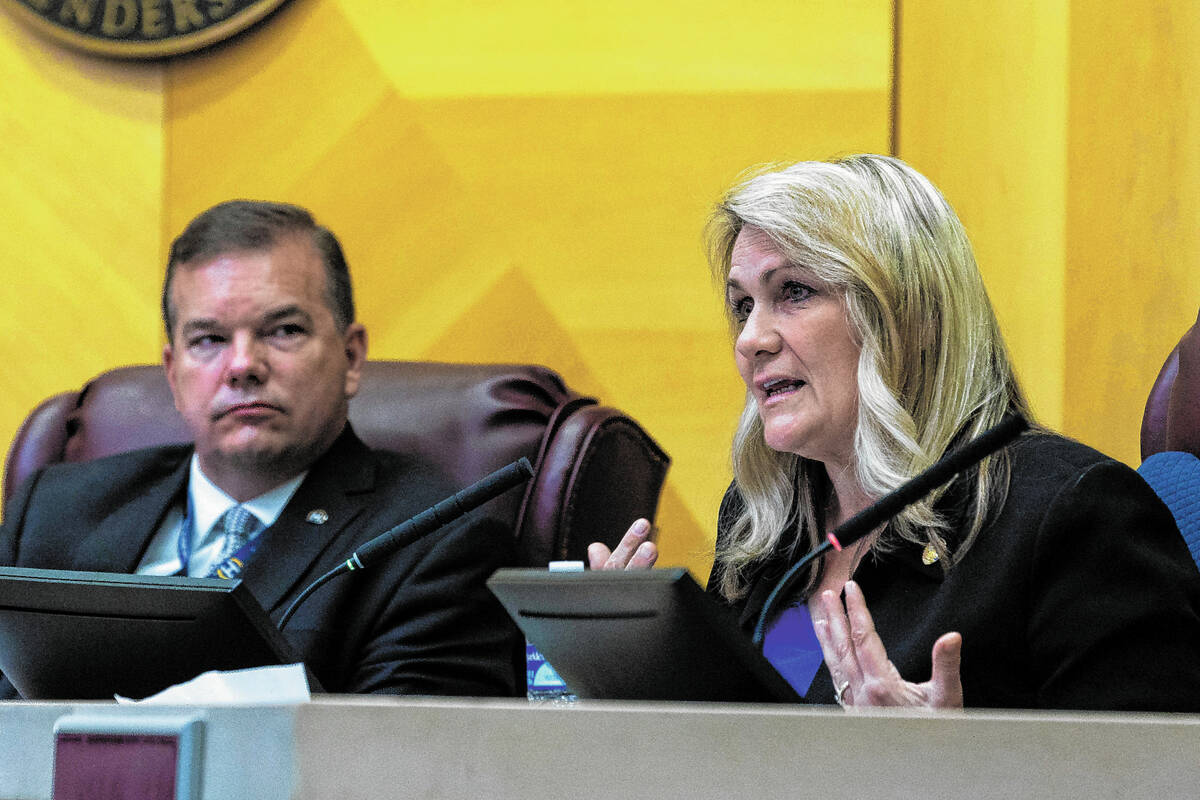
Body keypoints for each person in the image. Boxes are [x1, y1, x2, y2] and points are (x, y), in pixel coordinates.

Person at [590, 154, 1200, 711]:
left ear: (914, 317)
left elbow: (1145, 777)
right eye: (744, 305)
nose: (752, 339)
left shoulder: (1069, 516)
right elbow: (772, 723)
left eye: (794, 292)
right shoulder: (772, 529)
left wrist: (942, 772)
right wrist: (647, 676)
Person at [0, 201, 517, 698]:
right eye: (208, 339)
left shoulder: (434, 538)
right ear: (173, 373)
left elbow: (405, 761)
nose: (243, 365)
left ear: (351, 356)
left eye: (284, 331)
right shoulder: (54, 512)